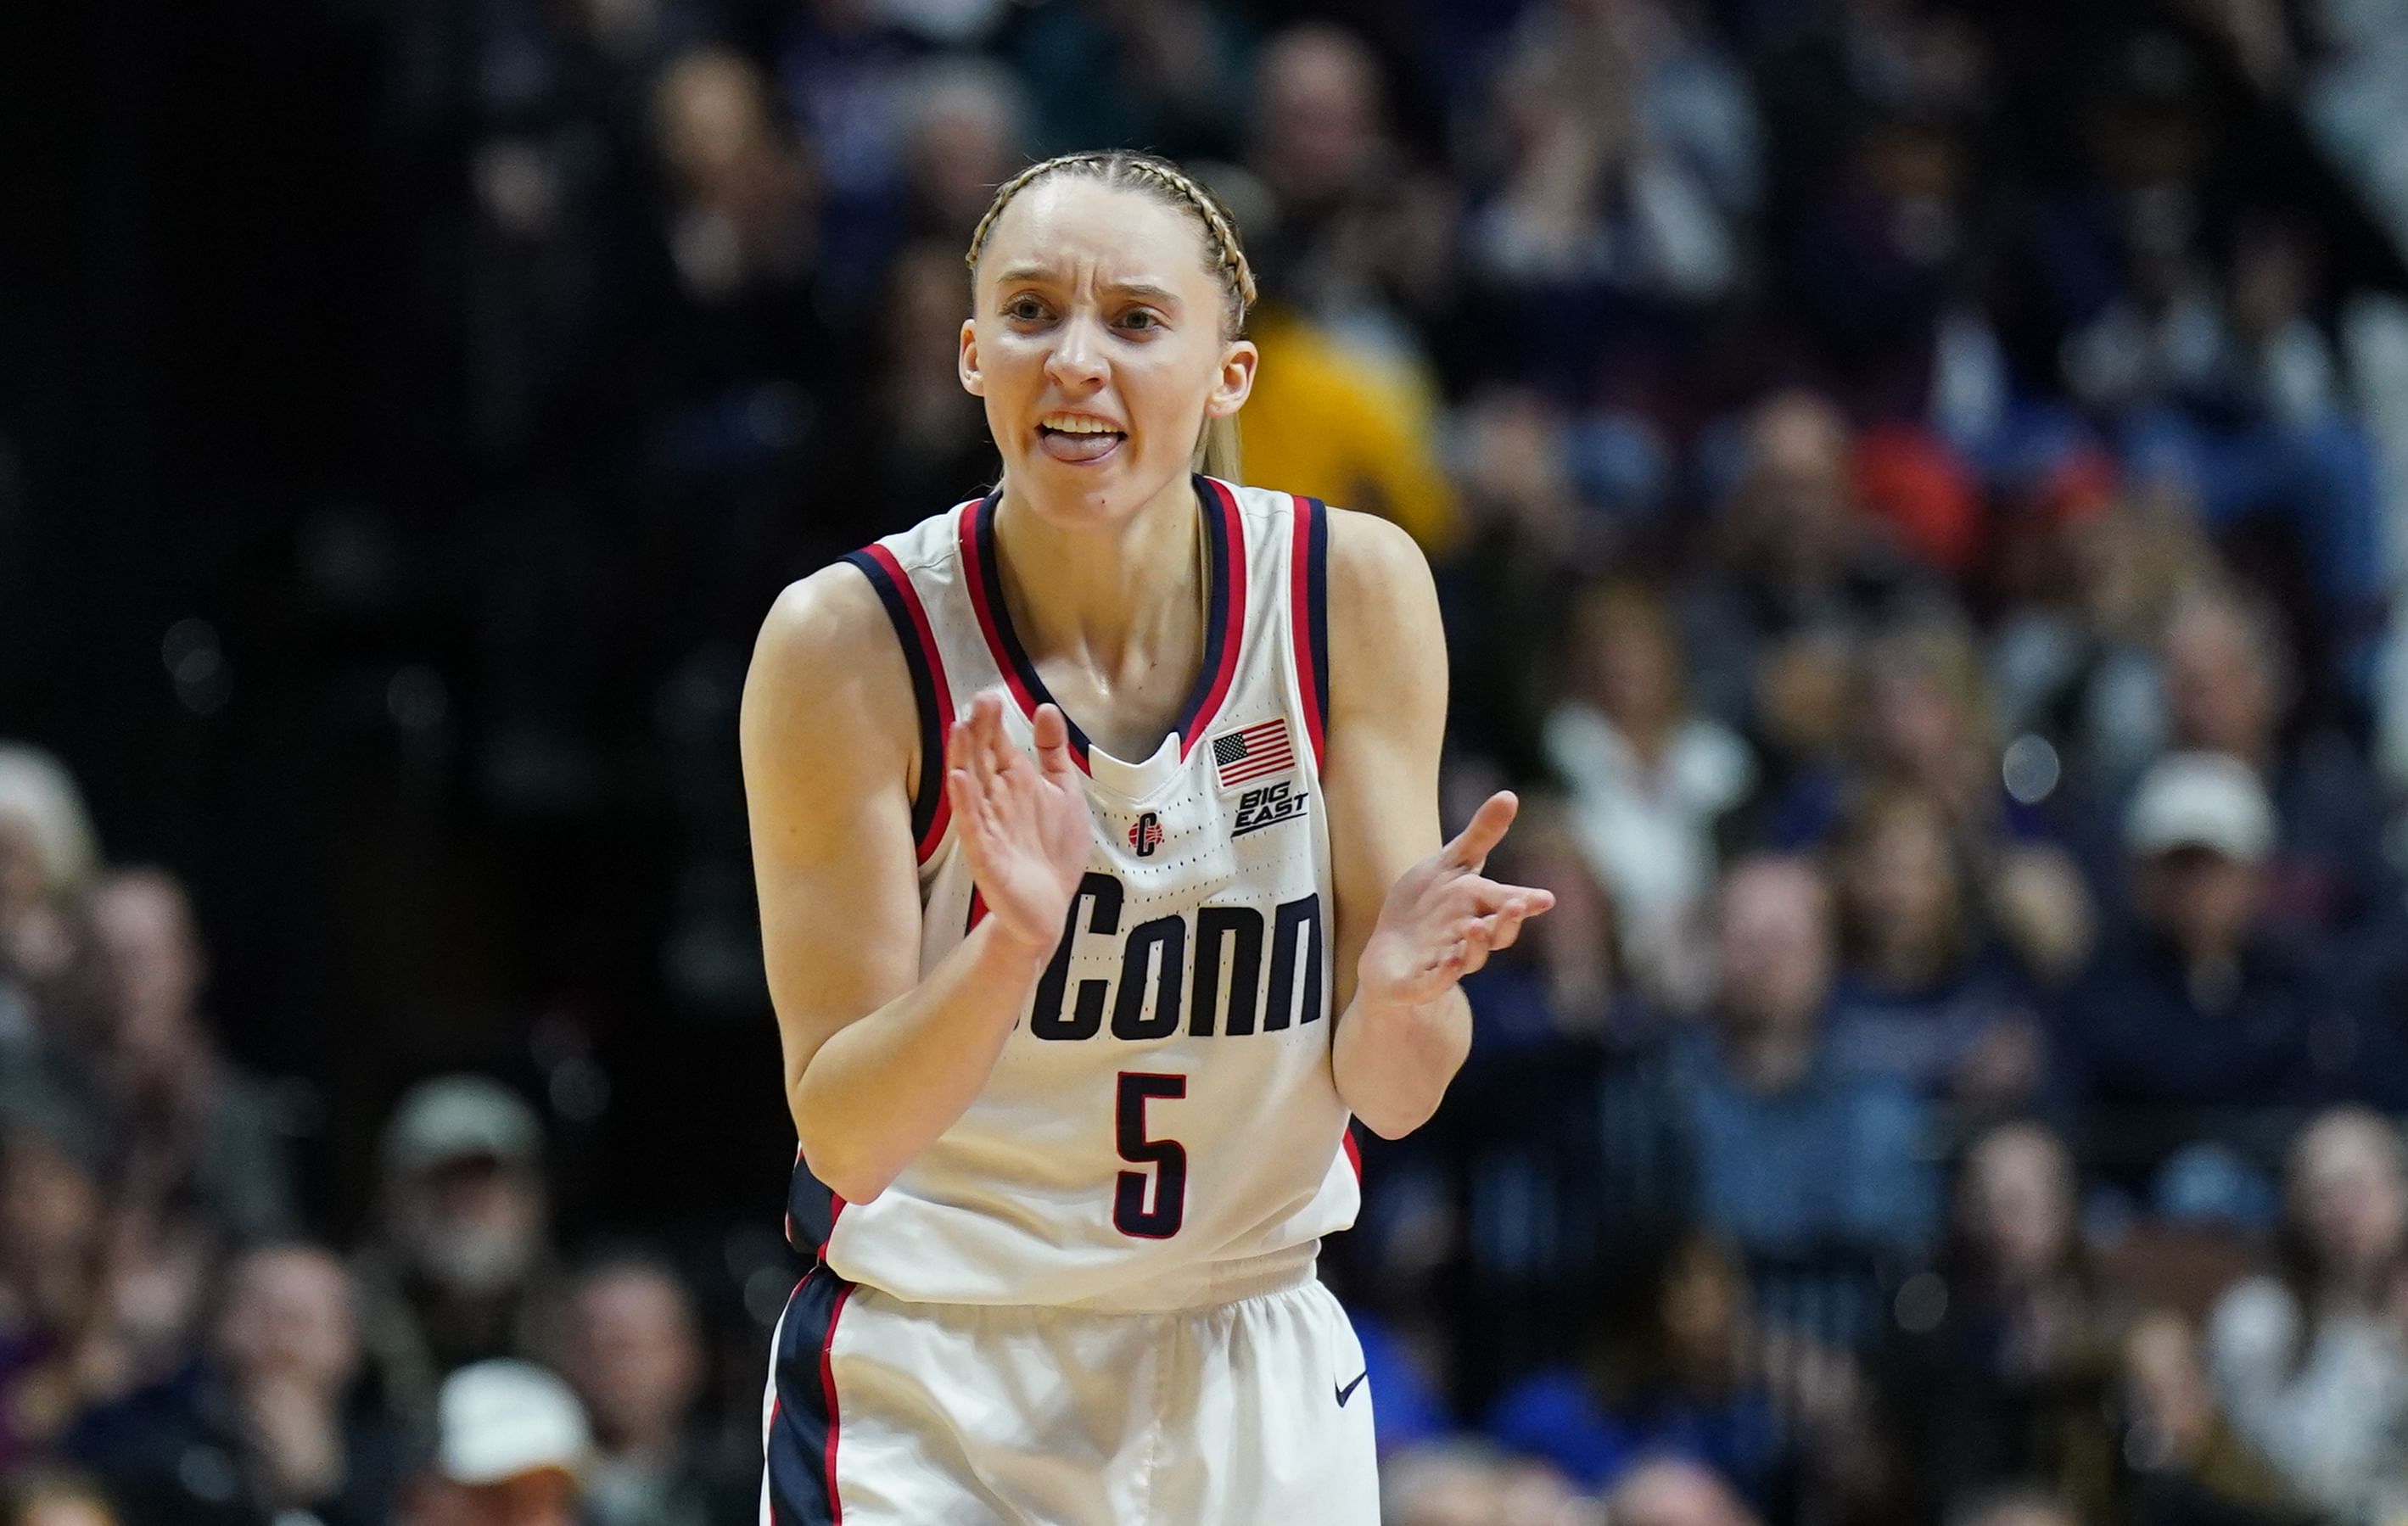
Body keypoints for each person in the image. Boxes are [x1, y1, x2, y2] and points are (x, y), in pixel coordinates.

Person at [740, 148, 1554, 1524]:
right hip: (941, 1376)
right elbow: (846, 1130)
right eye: (1030, 312)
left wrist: (1404, 991)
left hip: (1249, 1351)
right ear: (967, 354)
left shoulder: (1347, 588)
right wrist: (1014, 947)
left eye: (1131, 319)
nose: (1073, 359)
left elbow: (1395, 1088)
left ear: (1228, 371)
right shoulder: (847, 641)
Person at [2205, 1108, 2408, 1523]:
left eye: (2360, 1188)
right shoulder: (2256, 1320)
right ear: (2295, 1207)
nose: (2345, 1211)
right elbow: (2289, 1475)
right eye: (2325, 1194)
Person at [557, 1252, 751, 1526]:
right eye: (587, 1347)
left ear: (687, 1357)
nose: (604, 1366)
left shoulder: (746, 1496)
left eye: (624, 1347)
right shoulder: (531, 1490)